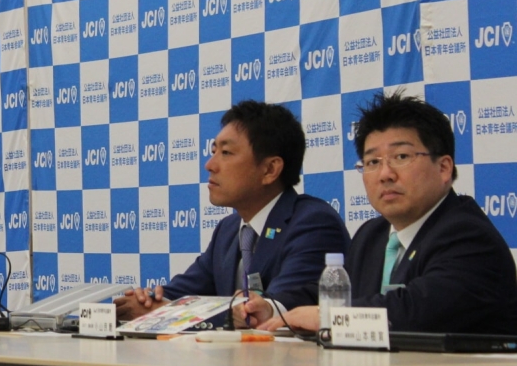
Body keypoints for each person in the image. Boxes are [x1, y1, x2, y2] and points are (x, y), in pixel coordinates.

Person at [253, 91, 517, 334]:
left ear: (444, 168)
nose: (385, 174)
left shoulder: (468, 236)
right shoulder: (372, 234)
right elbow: (336, 294)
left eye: (401, 157)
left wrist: (328, 317)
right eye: (372, 162)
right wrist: (274, 308)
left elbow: (416, 310)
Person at [115, 100, 349, 322]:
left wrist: (167, 313)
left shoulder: (313, 224)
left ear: (270, 169)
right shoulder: (227, 230)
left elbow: (271, 309)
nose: (210, 165)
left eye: (226, 153)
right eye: (213, 151)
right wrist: (146, 302)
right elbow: (181, 294)